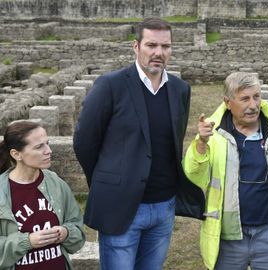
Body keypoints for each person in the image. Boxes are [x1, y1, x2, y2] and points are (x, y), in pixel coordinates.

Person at [73, 18, 205, 269]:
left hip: (164, 207)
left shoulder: (180, 89)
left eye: (165, 46)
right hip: (123, 206)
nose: (159, 53)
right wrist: (107, 181)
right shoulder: (110, 85)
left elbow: (173, 142)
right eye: (151, 45)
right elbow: (84, 143)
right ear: (136, 46)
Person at [183, 72, 268, 270]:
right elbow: (193, 176)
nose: (253, 105)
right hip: (227, 237)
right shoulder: (212, 136)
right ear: (228, 102)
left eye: (256, 97)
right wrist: (201, 145)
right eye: (245, 99)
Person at [0, 120, 85, 269]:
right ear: (16, 154)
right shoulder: (2, 192)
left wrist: (66, 233)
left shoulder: (57, 184)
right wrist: (27, 241)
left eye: (48, 143)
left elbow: (78, 234)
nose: (48, 151)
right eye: (39, 147)